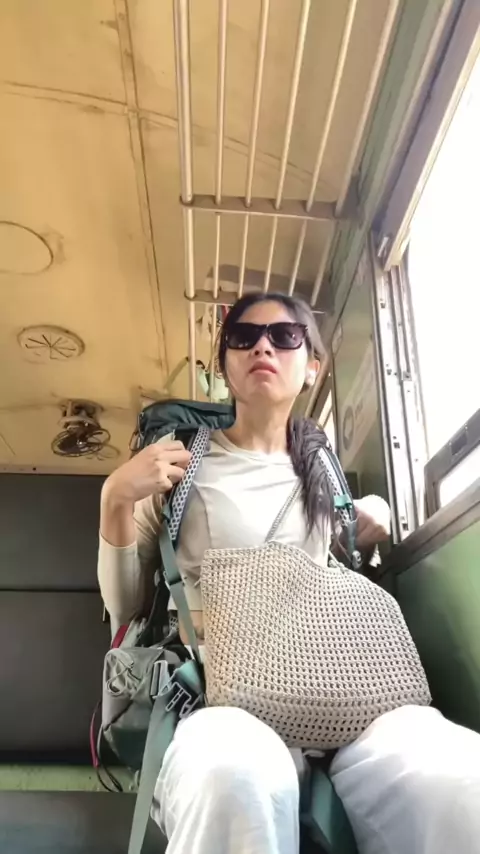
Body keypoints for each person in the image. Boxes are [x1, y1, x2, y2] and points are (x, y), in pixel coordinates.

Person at [98, 293, 480, 854]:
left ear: (312, 367)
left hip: (344, 694)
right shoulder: (180, 467)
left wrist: (369, 516)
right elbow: (125, 605)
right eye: (244, 337)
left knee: (454, 775)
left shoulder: (324, 473)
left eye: (284, 336)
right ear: (224, 365)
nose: (263, 347)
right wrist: (115, 498)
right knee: (233, 776)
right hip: (221, 698)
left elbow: (342, 555)